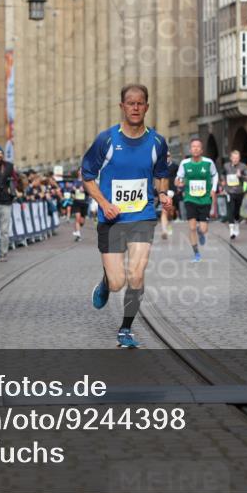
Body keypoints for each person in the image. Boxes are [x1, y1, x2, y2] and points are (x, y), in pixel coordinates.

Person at [83, 84, 171, 349]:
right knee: (118, 281)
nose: (135, 107)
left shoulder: (157, 142)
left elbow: (160, 174)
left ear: (147, 106)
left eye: (140, 103)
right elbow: (87, 176)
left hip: (142, 216)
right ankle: (106, 282)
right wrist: (103, 203)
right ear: (122, 106)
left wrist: (163, 194)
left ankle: (125, 329)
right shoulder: (107, 140)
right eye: (130, 103)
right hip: (111, 220)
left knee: (136, 276)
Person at [176, 138, 219, 263]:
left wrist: (214, 189)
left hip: (205, 199)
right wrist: (178, 182)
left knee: (203, 229)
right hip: (190, 198)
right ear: (190, 149)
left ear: (201, 150)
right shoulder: (184, 163)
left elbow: (215, 175)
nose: (195, 148)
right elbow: (179, 178)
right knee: (192, 227)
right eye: (193, 146)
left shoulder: (208, 162)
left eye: (198, 147)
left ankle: (201, 233)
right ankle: (196, 253)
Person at [222, 149, 247, 240]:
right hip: (229, 191)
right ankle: (231, 231)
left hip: (239, 191)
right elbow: (222, 174)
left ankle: (236, 224)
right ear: (231, 158)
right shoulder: (226, 166)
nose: (235, 160)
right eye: (233, 158)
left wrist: (241, 176)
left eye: (237, 158)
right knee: (230, 209)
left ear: (239, 158)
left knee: (236, 211)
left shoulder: (243, 166)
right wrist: (222, 181)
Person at [67, 171, 88, 241]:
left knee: (82, 222)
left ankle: (77, 229)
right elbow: (71, 192)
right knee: (77, 218)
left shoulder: (86, 181)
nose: (80, 172)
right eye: (80, 170)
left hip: (84, 203)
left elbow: (90, 192)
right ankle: (78, 235)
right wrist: (73, 192)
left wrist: (85, 190)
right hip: (76, 202)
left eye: (82, 170)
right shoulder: (75, 181)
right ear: (78, 172)